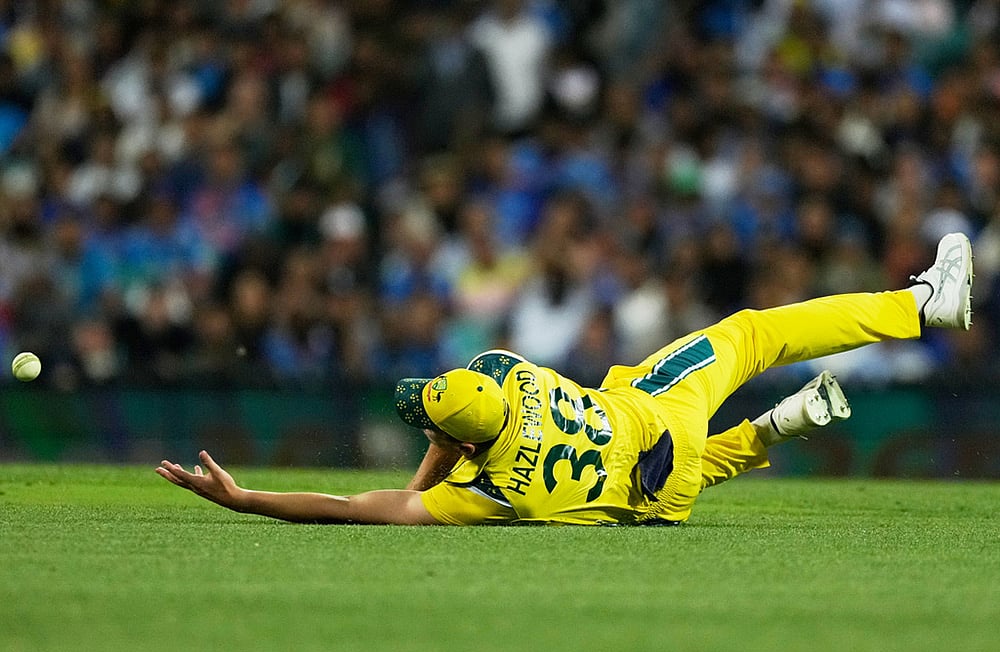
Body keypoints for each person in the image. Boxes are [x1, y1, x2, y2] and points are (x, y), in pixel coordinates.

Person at [156, 233, 974, 526]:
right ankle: (918, 307)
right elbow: (461, 412)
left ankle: (774, 429)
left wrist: (246, 498)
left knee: (671, 476)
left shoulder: (489, 497)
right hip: (651, 419)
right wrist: (442, 435)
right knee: (751, 336)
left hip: (656, 496)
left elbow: (356, 508)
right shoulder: (508, 371)